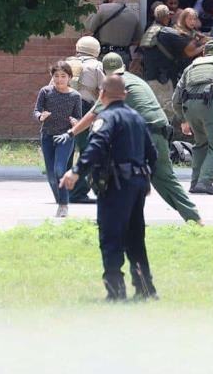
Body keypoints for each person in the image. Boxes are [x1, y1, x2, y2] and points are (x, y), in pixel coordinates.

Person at [58, 53, 202, 224]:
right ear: (123, 67)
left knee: (111, 172)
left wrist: (71, 132)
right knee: (165, 178)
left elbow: (93, 114)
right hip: (160, 131)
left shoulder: (113, 85)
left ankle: (113, 216)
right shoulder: (136, 80)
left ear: (105, 71)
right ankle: (194, 218)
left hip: (140, 135)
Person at [60, 75, 158, 302]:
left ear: (102, 95)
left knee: (111, 237)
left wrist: (76, 172)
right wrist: (145, 180)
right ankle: (145, 289)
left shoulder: (106, 118)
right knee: (135, 238)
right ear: (125, 95)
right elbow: (153, 154)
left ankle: (116, 293)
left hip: (115, 185)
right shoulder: (137, 118)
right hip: (137, 185)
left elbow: (96, 146)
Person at [172, 40, 213, 195]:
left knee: (201, 144)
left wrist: (183, 119)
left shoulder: (191, 66)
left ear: (203, 53)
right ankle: (205, 182)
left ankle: (195, 183)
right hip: (210, 106)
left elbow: (176, 98)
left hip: (189, 107)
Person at [34, 61, 82, 217]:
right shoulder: (45, 91)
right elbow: (36, 111)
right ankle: (60, 199)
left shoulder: (75, 96)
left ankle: (63, 205)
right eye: (56, 76)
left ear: (69, 77)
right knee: (51, 174)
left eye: (63, 76)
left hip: (66, 137)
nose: (60, 79)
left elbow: (79, 118)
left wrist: (75, 122)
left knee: (59, 170)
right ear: (52, 77)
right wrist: (41, 116)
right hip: (47, 136)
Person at [64, 36, 105, 203]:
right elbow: (105, 91)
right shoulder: (97, 66)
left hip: (62, 107)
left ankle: (63, 190)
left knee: (65, 151)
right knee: (87, 151)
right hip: (84, 109)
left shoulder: (65, 63)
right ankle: (78, 192)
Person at [141, 4, 190, 123]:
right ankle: (165, 137)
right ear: (167, 16)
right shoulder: (168, 32)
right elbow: (188, 47)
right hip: (163, 78)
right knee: (167, 109)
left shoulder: (150, 30)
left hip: (149, 75)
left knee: (153, 108)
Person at [86, 0, 142, 68]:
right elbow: (137, 40)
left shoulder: (102, 9)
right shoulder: (133, 15)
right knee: (121, 78)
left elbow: (89, 29)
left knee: (104, 78)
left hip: (105, 55)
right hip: (123, 56)